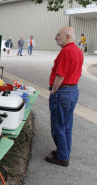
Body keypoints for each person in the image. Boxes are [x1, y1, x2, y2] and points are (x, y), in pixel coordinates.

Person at [46, 26, 83, 167]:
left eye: (58, 35)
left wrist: (53, 91)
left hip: (63, 92)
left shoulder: (66, 51)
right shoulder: (77, 51)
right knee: (67, 125)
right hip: (73, 91)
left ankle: (62, 157)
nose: (56, 37)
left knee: (58, 126)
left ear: (67, 36)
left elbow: (60, 76)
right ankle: (64, 151)